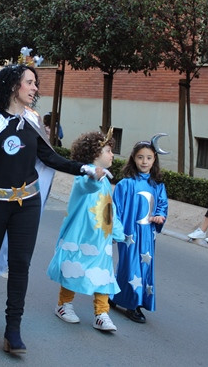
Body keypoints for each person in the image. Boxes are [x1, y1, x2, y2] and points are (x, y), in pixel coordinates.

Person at [0, 64, 107, 355]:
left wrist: (83, 168)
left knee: (21, 265)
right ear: (13, 85)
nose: (35, 89)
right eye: (30, 83)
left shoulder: (32, 120)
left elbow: (48, 157)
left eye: (35, 83)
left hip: (26, 203)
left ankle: (13, 329)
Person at [47, 130, 124, 332]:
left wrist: (116, 231)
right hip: (81, 236)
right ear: (94, 154)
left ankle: (101, 313)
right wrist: (93, 176)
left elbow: (110, 208)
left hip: (101, 239)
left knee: (104, 275)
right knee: (74, 268)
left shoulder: (107, 180)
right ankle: (64, 305)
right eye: (108, 150)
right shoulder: (85, 175)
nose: (112, 155)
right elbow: (88, 187)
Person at [110, 136, 168, 324]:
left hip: (147, 235)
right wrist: (114, 231)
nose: (145, 161)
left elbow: (162, 204)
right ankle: (132, 305)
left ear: (154, 160)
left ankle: (117, 296)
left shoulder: (158, 185)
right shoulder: (125, 184)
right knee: (130, 265)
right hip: (129, 234)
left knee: (145, 267)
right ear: (133, 159)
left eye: (149, 158)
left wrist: (159, 216)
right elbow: (115, 209)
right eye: (140, 157)